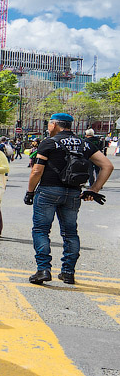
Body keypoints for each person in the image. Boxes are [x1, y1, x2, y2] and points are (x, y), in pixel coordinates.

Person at [24, 113, 113, 285]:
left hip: (48, 192)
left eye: (49, 124)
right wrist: (93, 189)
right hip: (73, 193)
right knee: (70, 233)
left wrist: (30, 192)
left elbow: (36, 171)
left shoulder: (49, 142)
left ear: (55, 125)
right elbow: (107, 165)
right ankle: (68, 272)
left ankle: (43, 270)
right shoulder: (84, 143)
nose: (48, 127)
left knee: (41, 230)